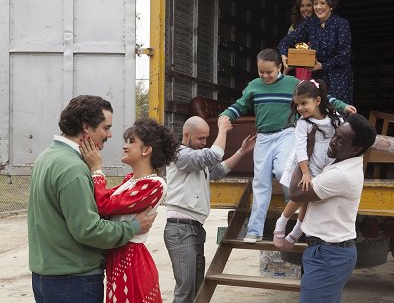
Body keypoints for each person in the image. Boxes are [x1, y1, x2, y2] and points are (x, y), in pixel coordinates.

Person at [28, 95, 156, 303]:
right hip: (73, 281)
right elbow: (88, 230)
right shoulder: (73, 169)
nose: (110, 134)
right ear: (86, 127)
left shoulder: (47, 157)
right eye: (106, 128)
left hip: (47, 277)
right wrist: (133, 227)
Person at [220, 48, 355, 244]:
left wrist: (343, 106)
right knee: (260, 183)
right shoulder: (254, 86)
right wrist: (226, 115)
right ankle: (254, 230)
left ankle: (293, 201)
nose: (265, 76)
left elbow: (318, 95)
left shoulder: (294, 84)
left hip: (287, 133)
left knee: (284, 170)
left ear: (280, 67)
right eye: (261, 72)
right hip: (263, 137)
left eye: (269, 72)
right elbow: (239, 105)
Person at [80, 118, 179, 303]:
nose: (125, 146)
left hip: (131, 260)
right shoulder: (131, 180)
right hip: (120, 255)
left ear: (146, 150)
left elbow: (103, 205)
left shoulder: (154, 184)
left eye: (131, 142)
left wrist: (96, 169)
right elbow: (102, 203)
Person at [164, 115, 256, 303]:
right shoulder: (180, 155)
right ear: (186, 134)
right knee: (186, 291)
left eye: (207, 138)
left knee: (196, 290)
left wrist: (241, 151)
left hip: (193, 228)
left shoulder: (195, 160)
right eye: (200, 139)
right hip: (181, 229)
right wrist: (222, 129)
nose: (204, 143)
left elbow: (217, 171)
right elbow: (214, 156)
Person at [289, 113, 377, 303]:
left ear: (356, 149)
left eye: (341, 140)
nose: (333, 142)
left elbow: (295, 194)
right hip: (327, 252)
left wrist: (305, 150)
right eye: (335, 135)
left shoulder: (341, 174)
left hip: (329, 255)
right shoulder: (338, 163)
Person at [274, 79, 346, 250]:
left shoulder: (335, 119)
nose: (300, 108)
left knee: (310, 201)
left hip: (328, 165)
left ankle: (296, 233)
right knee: (300, 195)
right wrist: (305, 172)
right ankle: (281, 224)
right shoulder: (303, 123)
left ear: (318, 101)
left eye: (304, 103)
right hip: (309, 162)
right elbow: (300, 148)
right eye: (297, 104)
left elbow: (345, 138)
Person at [278, 0, 354, 104]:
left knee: (339, 112)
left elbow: (344, 56)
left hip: (338, 77)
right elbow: (286, 41)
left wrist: (322, 66)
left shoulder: (341, 24)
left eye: (322, 3)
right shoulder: (310, 23)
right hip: (318, 78)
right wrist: (283, 55)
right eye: (315, 4)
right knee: (318, 110)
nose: (318, 7)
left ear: (331, 5)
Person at [283, 0, 314, 80]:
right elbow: (288, 50)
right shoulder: (294, 27)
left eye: (308, 5)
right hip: (300, 70)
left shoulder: (323, 25)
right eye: (302, 6)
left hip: (318, 70)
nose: (305, 9)